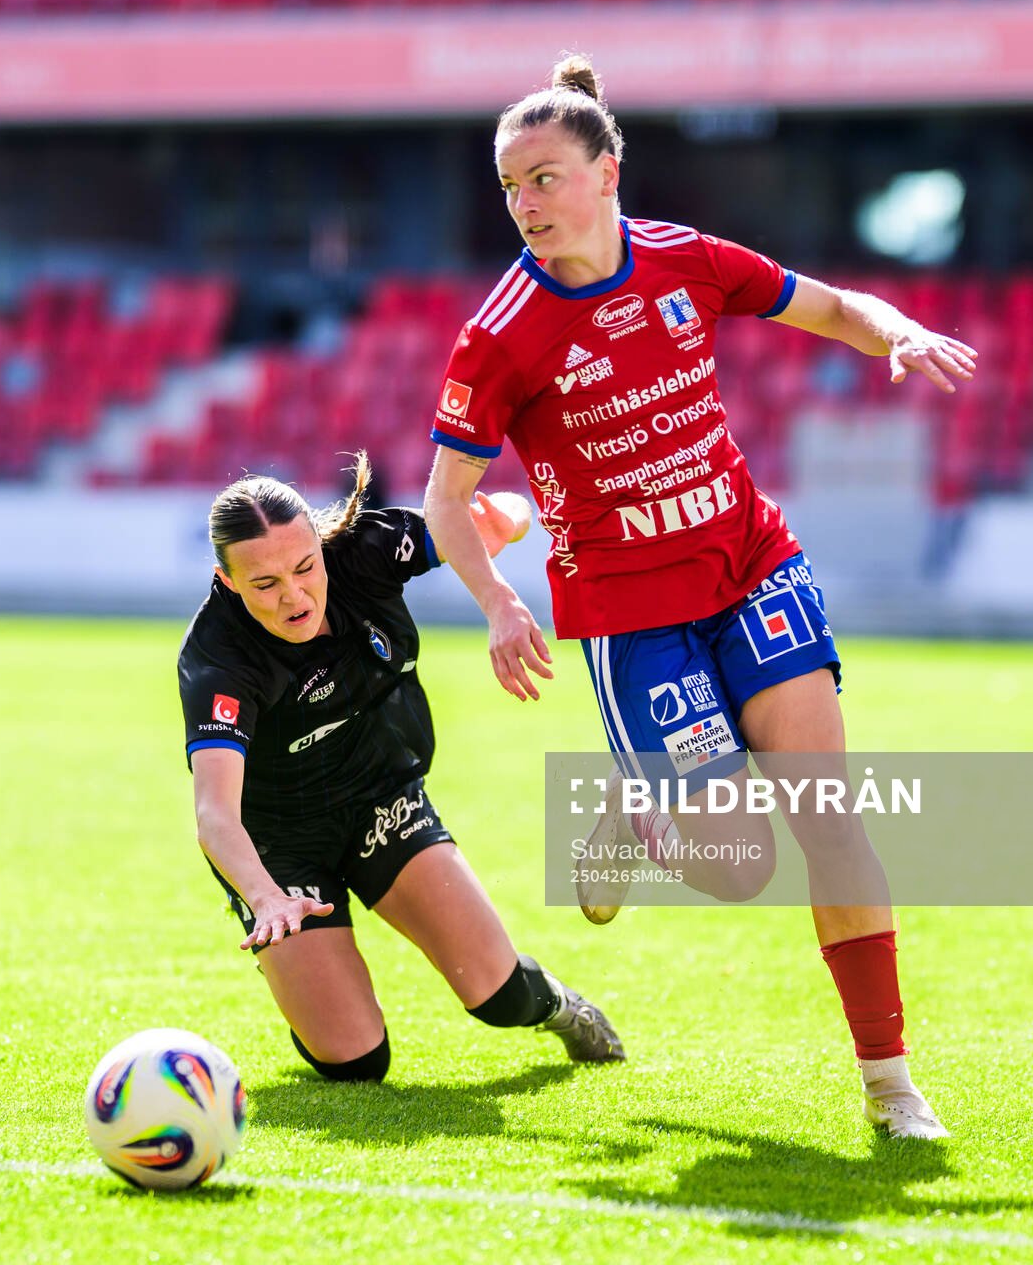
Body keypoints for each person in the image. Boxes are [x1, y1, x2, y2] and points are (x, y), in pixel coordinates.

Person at [421, 56, 977, 1139]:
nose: (526, 205)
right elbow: (448, 498)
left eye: (544, 178)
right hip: (630, 616)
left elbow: (832, 304)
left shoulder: (685, 259)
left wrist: (896, 330)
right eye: (510, 188)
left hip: (751, 564)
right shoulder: (500, 333)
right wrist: (497, 602)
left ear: (606, 171)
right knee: (738, 865)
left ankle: (891, 1085)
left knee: (831, 820)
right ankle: (635, 821)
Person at [179, 452, 620, 1082]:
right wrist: (266, 899)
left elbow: (490, 524)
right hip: (279, 848)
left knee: (498, 997)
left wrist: (512, 521)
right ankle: (298, 974)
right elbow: (214, 814)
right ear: (228, 582)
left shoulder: (366, 550)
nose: (294, 596)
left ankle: (565, 1009)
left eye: (305, 568)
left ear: (322, 545)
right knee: (357, 1061)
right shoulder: (218, 660)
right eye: (264, 585)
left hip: (381, 797)